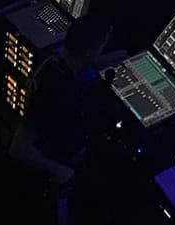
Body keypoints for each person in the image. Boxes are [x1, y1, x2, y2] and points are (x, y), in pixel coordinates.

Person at [10, 12, 125, 190]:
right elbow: (19, 148)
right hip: (51, 169)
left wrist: (98, 61)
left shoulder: (52, 61)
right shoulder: (58, 91)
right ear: (88, 52)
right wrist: (57, 170)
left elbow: (77, 63)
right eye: (100, 48)